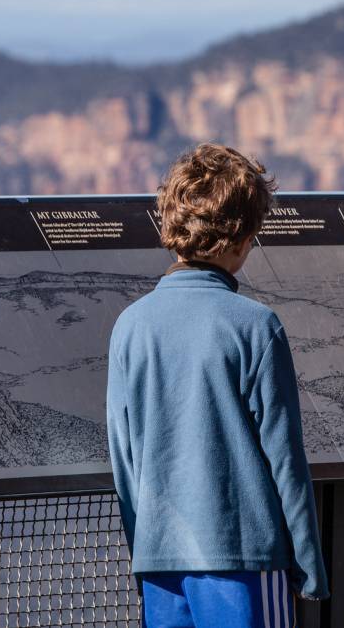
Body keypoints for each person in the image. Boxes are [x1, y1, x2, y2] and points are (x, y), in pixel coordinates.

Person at [107, 143, 330, 628]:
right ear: (241, 236)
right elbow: (284, 456)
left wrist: (144, 545)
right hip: (246, 560)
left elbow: (123, 458)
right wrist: (309, 564)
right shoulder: (255, 326)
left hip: (160, 561)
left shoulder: (130, 325)